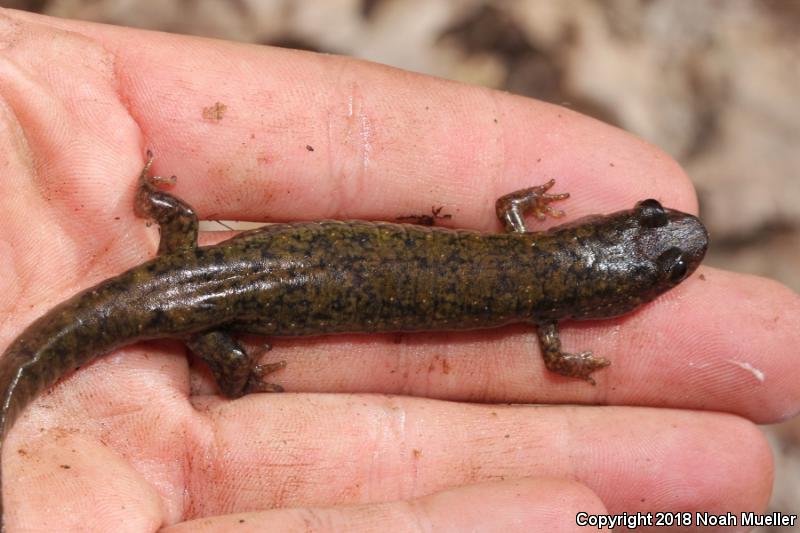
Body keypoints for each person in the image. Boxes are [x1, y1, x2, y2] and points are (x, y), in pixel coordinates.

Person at [0, 8, 794, 532]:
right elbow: (553, 339)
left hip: (195, 274)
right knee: (231, 358)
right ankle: (232, 375)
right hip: (202, 314)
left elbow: (514, 206)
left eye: (662, 260)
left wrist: (531, 203)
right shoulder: (548, 314)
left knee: (191, 265)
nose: (668, 233)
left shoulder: (524, 237)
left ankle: (163, 217)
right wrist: (572, 358)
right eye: (651, 223)